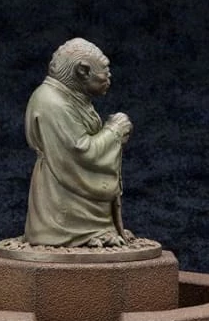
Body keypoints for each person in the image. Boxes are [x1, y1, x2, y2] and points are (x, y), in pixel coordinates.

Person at [23, 38, 133, 247]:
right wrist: (114, 131)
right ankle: (77, 233)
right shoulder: (53, 103)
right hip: (61, 196)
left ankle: (96, 228)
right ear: (82, 71)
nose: (109, 76)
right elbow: (78, 152)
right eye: (105, 70)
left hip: (70, 193)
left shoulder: (70, 96)